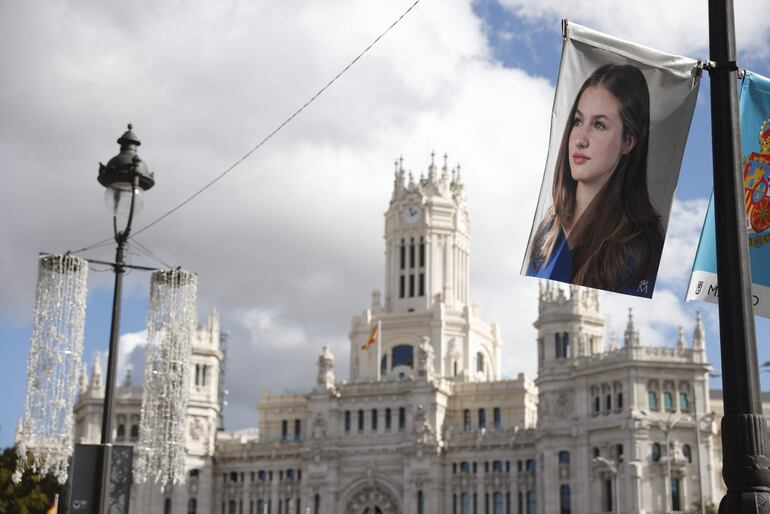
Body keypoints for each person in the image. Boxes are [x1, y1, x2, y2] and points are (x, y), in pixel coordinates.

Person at [527, 64, 664, 297]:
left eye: (599, 125)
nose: (581, 139)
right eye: (578, 121)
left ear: (628, 142)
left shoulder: (639, 247)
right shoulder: (547, 231)